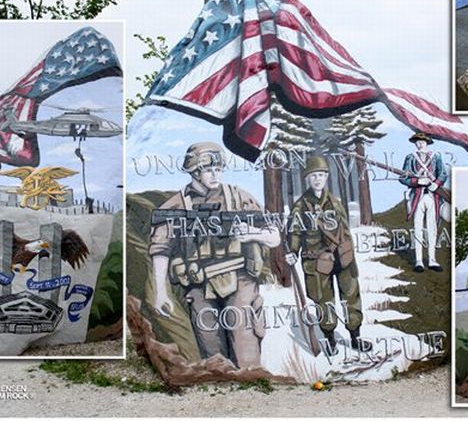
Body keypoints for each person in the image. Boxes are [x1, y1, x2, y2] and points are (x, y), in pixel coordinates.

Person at [148, 141, 280, 369]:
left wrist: (252, 233)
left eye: (218, 169)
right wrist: (161, 293)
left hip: (240, 282)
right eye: (209, 169)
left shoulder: (238, 198)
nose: (215, 174)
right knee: (213, 358)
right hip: (199, 287)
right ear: (194, 171)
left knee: (246, 353)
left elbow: (274, 236)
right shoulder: (177, 205)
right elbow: (160, 250)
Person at [285, 155, 372, 355]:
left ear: (326, 177)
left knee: (351, 296)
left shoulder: (335, 202)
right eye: (314, 175)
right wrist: (292, 252)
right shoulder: (300, 206)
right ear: (308, 178)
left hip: (341, 258)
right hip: (316, 261)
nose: (317, 179)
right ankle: (331, 340)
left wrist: (350, 257)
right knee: (324, 301)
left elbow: (345, 229)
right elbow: (295, 232)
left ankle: (355, 337)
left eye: (321, 175)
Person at [399, 132, 447, 273]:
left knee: (432, 228)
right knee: (418, 227)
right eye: (418, 142)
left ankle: (432, 260)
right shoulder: (410, 158)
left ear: (427, 143)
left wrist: (436, 184)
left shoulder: (436, 157)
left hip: (432, 195)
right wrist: (417, 181)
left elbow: (443, 173)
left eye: (422, 141)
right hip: (417, 196)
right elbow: (403, 178)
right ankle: (419, 260)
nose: (420, 144)